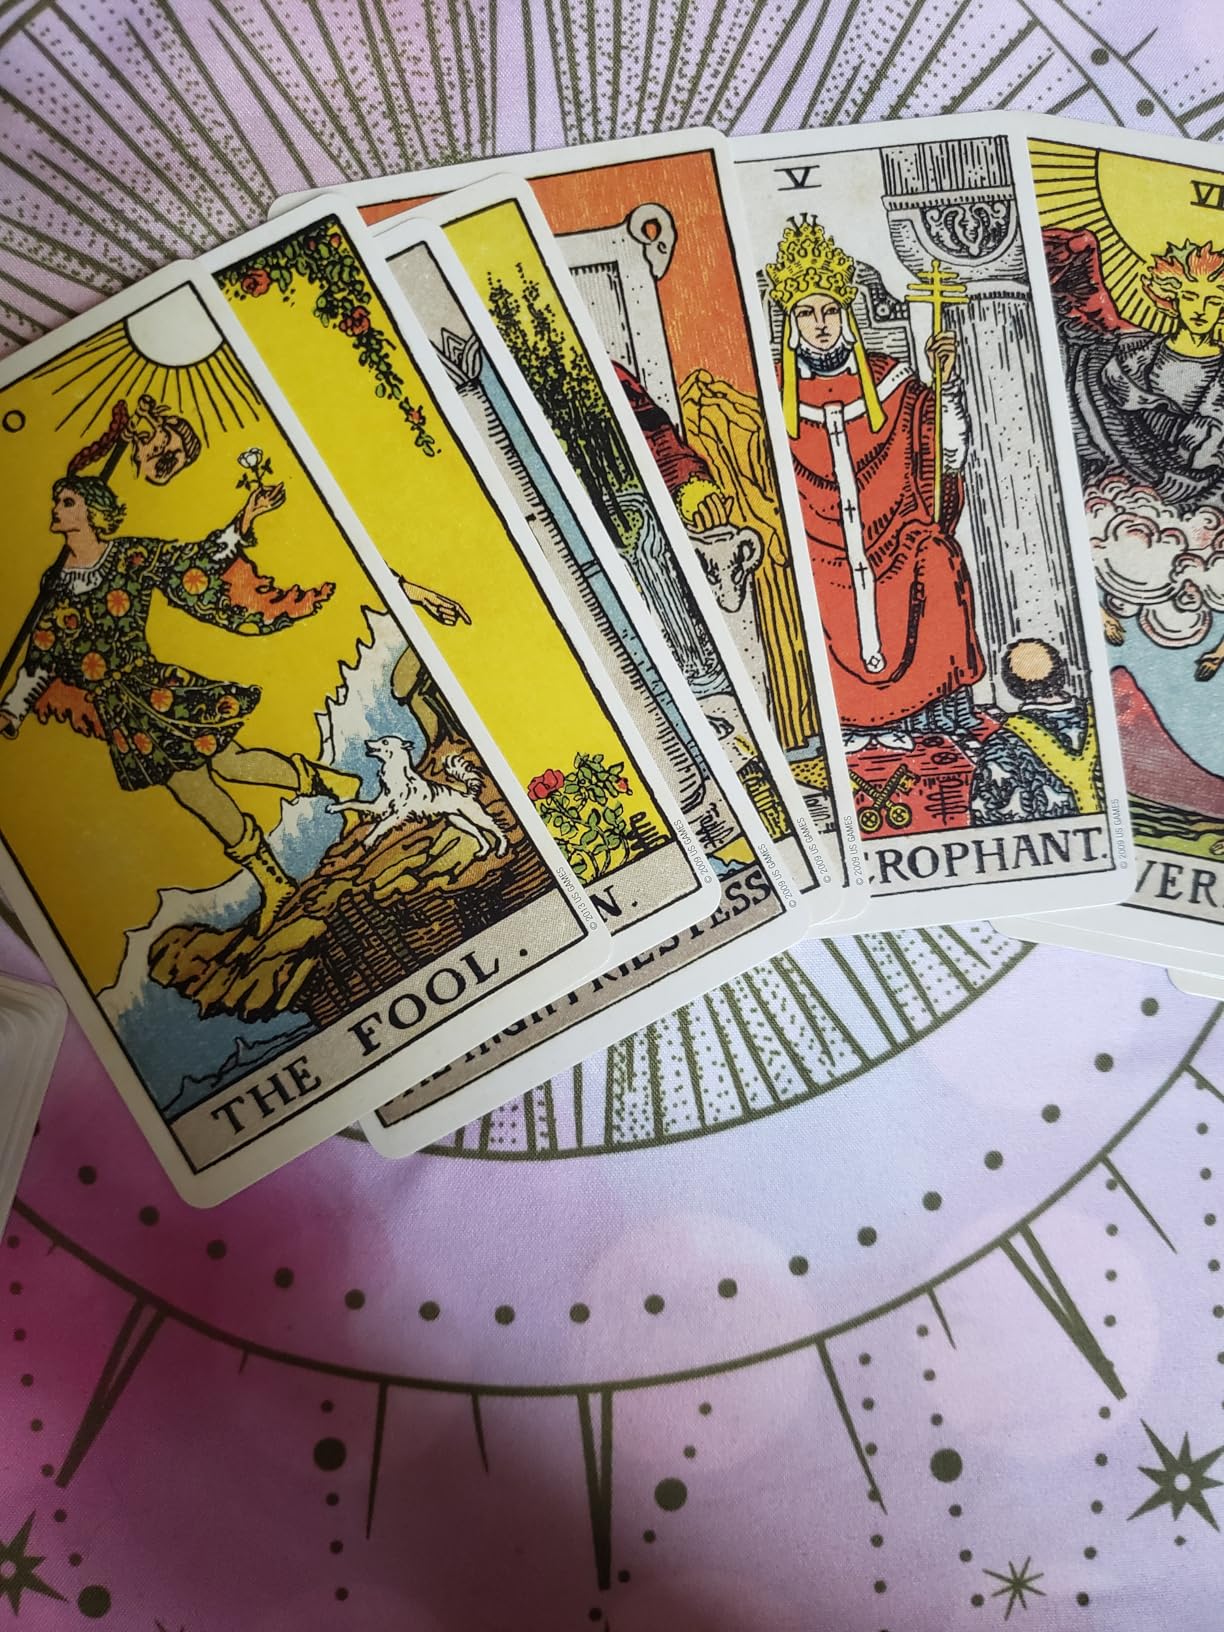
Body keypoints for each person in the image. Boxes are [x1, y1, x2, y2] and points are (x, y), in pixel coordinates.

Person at [0, 472, 361, 935]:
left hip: (157, 691)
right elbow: (42, 655)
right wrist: (13, 709)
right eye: (57, 501)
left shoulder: (128, 556)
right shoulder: (55, 585)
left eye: (66, 501)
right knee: (196, 794)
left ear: (91, 510)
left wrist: (244, 519)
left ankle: (329, 783)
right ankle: (275, 881)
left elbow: (192, 563)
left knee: (233, 763)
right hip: (122, 715)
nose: (56, 509)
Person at [765, 216, 985, 753]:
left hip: (894, 537)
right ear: (792, 321)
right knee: (804, 588)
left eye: (830, 311)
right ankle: (845, 724)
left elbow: (939, 454)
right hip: (820, 546)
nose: (820, 324)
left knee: (935, 557)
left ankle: (932, 718)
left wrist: (944, 386)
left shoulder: (891, 380)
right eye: (807, 313)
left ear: (847, 313)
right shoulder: (773, 392)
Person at [1050, 235, 1224, 512]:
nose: (1200, 310)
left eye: (1213, 301)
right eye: (1190, 297)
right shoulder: (1128, 352)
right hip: (1117, 486)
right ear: (1171, 298)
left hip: (1197, 497)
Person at [969, 640, 1100, 824]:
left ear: (1012, 686)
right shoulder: (1102, 718)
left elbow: (988, 815)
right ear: (1060, 674)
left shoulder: (1003, 744)